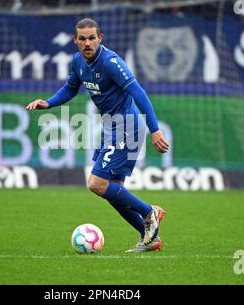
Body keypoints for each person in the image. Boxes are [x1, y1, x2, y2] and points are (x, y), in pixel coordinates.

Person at [26, 18, 169, 252]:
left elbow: (139, 93)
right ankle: (149, 237)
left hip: (127, 126)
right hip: (110, 127)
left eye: (92, 38)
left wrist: (155, 129)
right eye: (82, 39)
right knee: (114, 192)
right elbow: (71, 87)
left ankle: (148, 211)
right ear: (75, 41)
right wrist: (48, 103)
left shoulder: (111, 62)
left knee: (96, 183)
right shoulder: (78, 62)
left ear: (100, 38)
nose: (87, 43)